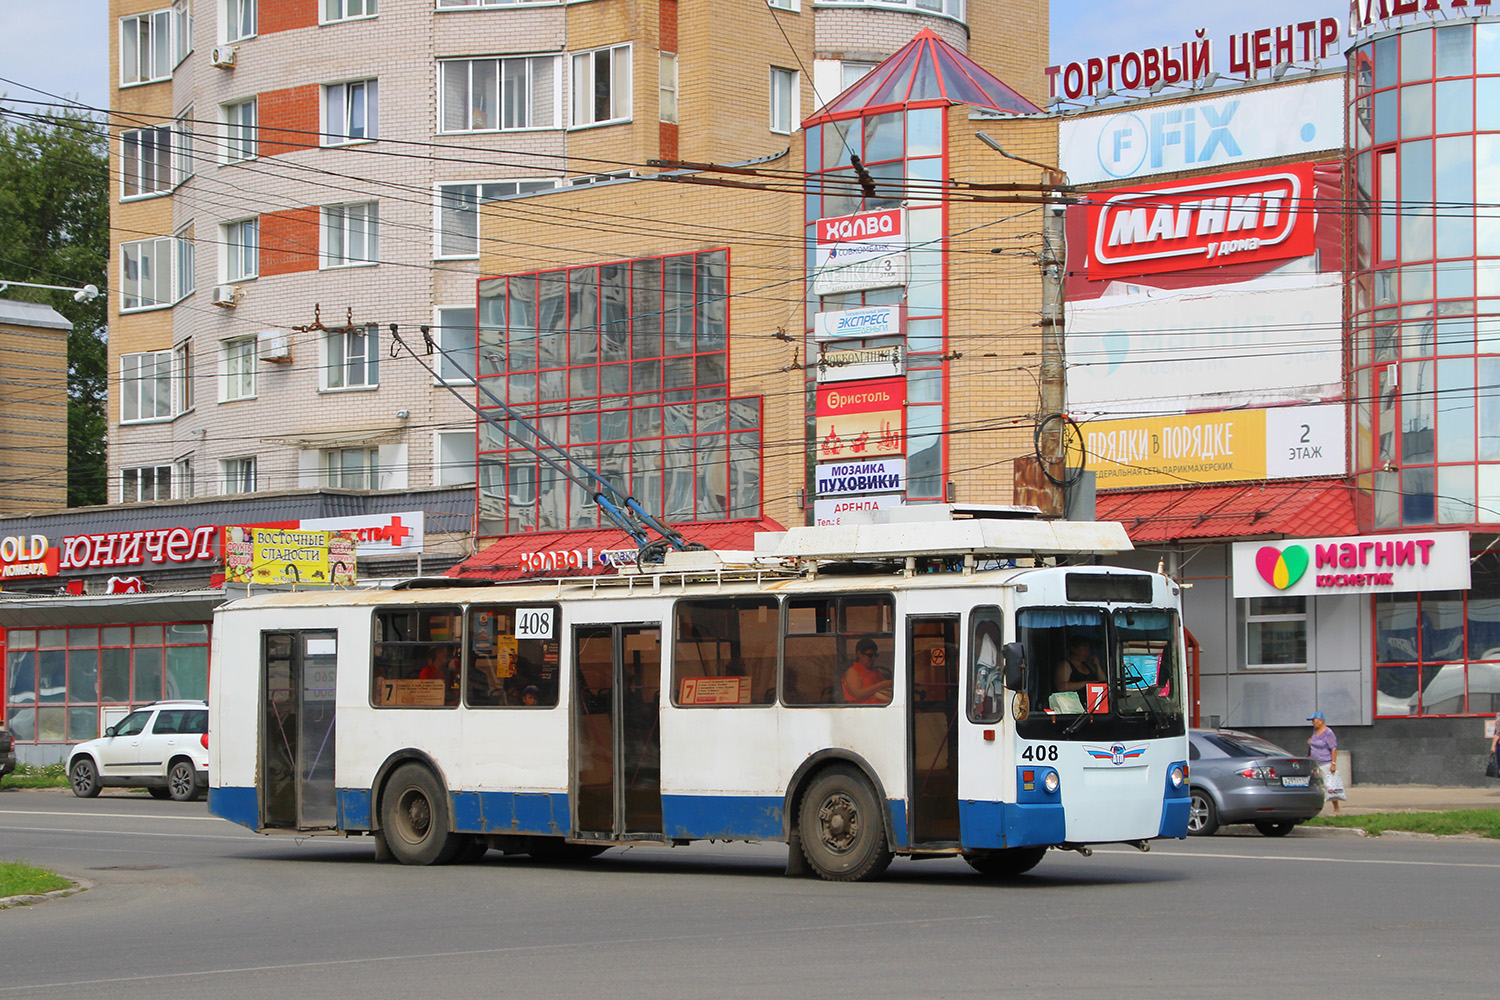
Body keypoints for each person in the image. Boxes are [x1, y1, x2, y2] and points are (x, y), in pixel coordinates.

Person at [1308, 711, 1344, 814]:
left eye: (1314, 721)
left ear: (1321, 721)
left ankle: (1336, 808)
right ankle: (1313, 807)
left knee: (1330, 786)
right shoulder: (1315, 732)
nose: (1313, 723)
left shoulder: (1328, 732)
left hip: (1325, 762)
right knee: (1314, 784)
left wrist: (1333, 764)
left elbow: (1333, 748)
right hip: (1315, 763)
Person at [841, 638, 892, 704]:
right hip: (861, 709)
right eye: (870, 655)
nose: (873, 658)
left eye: (875, 655)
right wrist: (881, 685)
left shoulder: (875, 671)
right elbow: (858, 694)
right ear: (859, 654)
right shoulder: (853, 671)